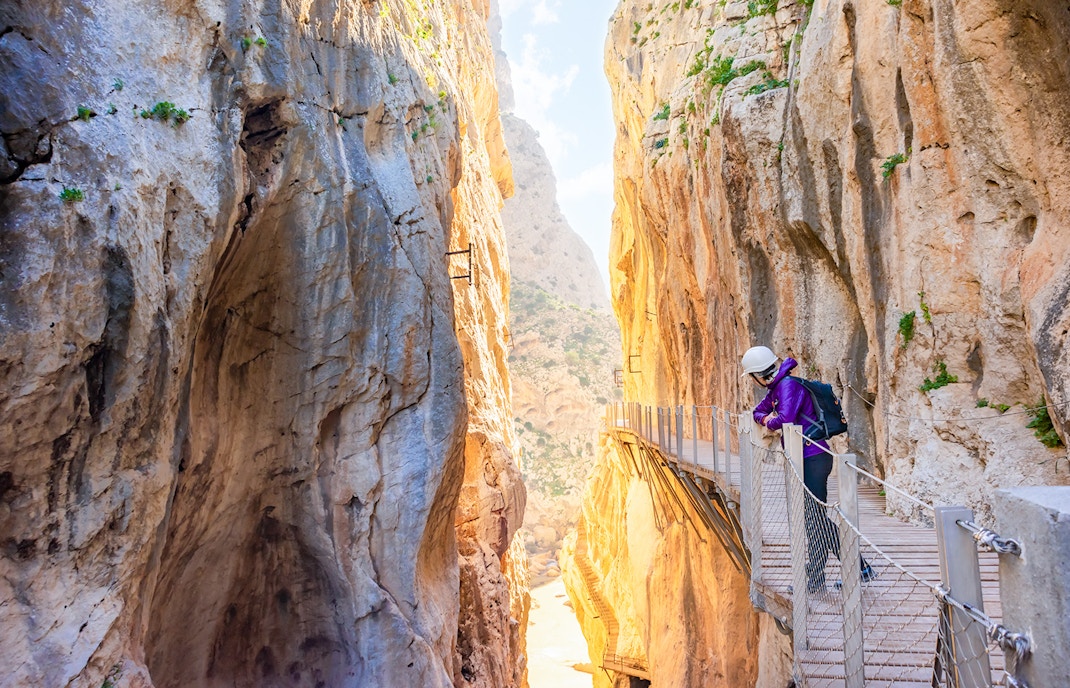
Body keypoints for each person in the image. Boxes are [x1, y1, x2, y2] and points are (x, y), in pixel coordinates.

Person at [741, 345, 876, 593]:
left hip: (813, 458)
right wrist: (765, 418)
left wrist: (769, 421)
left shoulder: (787, 386)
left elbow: (785, 419)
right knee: (814, 520)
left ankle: (857, 569)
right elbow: (759, 412)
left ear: (757, 375)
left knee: (816, 520)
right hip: (807, 457)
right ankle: (818, 577)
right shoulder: (778, 387)